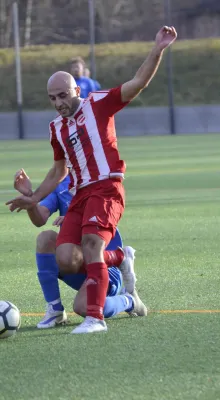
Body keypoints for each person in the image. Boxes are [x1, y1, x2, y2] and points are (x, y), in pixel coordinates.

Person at [6, 26, 177, 335]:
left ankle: (95, 319)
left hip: (107, 186)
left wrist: (158, 49)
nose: (58, 102)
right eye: (52, 98)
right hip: (81, 192)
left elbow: (137, 83)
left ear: (77, 91)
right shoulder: (56, 128)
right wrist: (31, 198)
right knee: (65, 257)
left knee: (90, 244)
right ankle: (120, 259)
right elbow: (58, 171)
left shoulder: (98, 103)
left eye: (63, 95)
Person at [13, 169, 147, 329]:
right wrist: (31, 200)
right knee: (45, 238)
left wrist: (74, 219)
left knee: (82, 307)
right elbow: (40, 218)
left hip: (104, 265)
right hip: (74, 260)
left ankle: (129, 300)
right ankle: (55, 311)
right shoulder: (61, 182)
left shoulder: (100, 177)